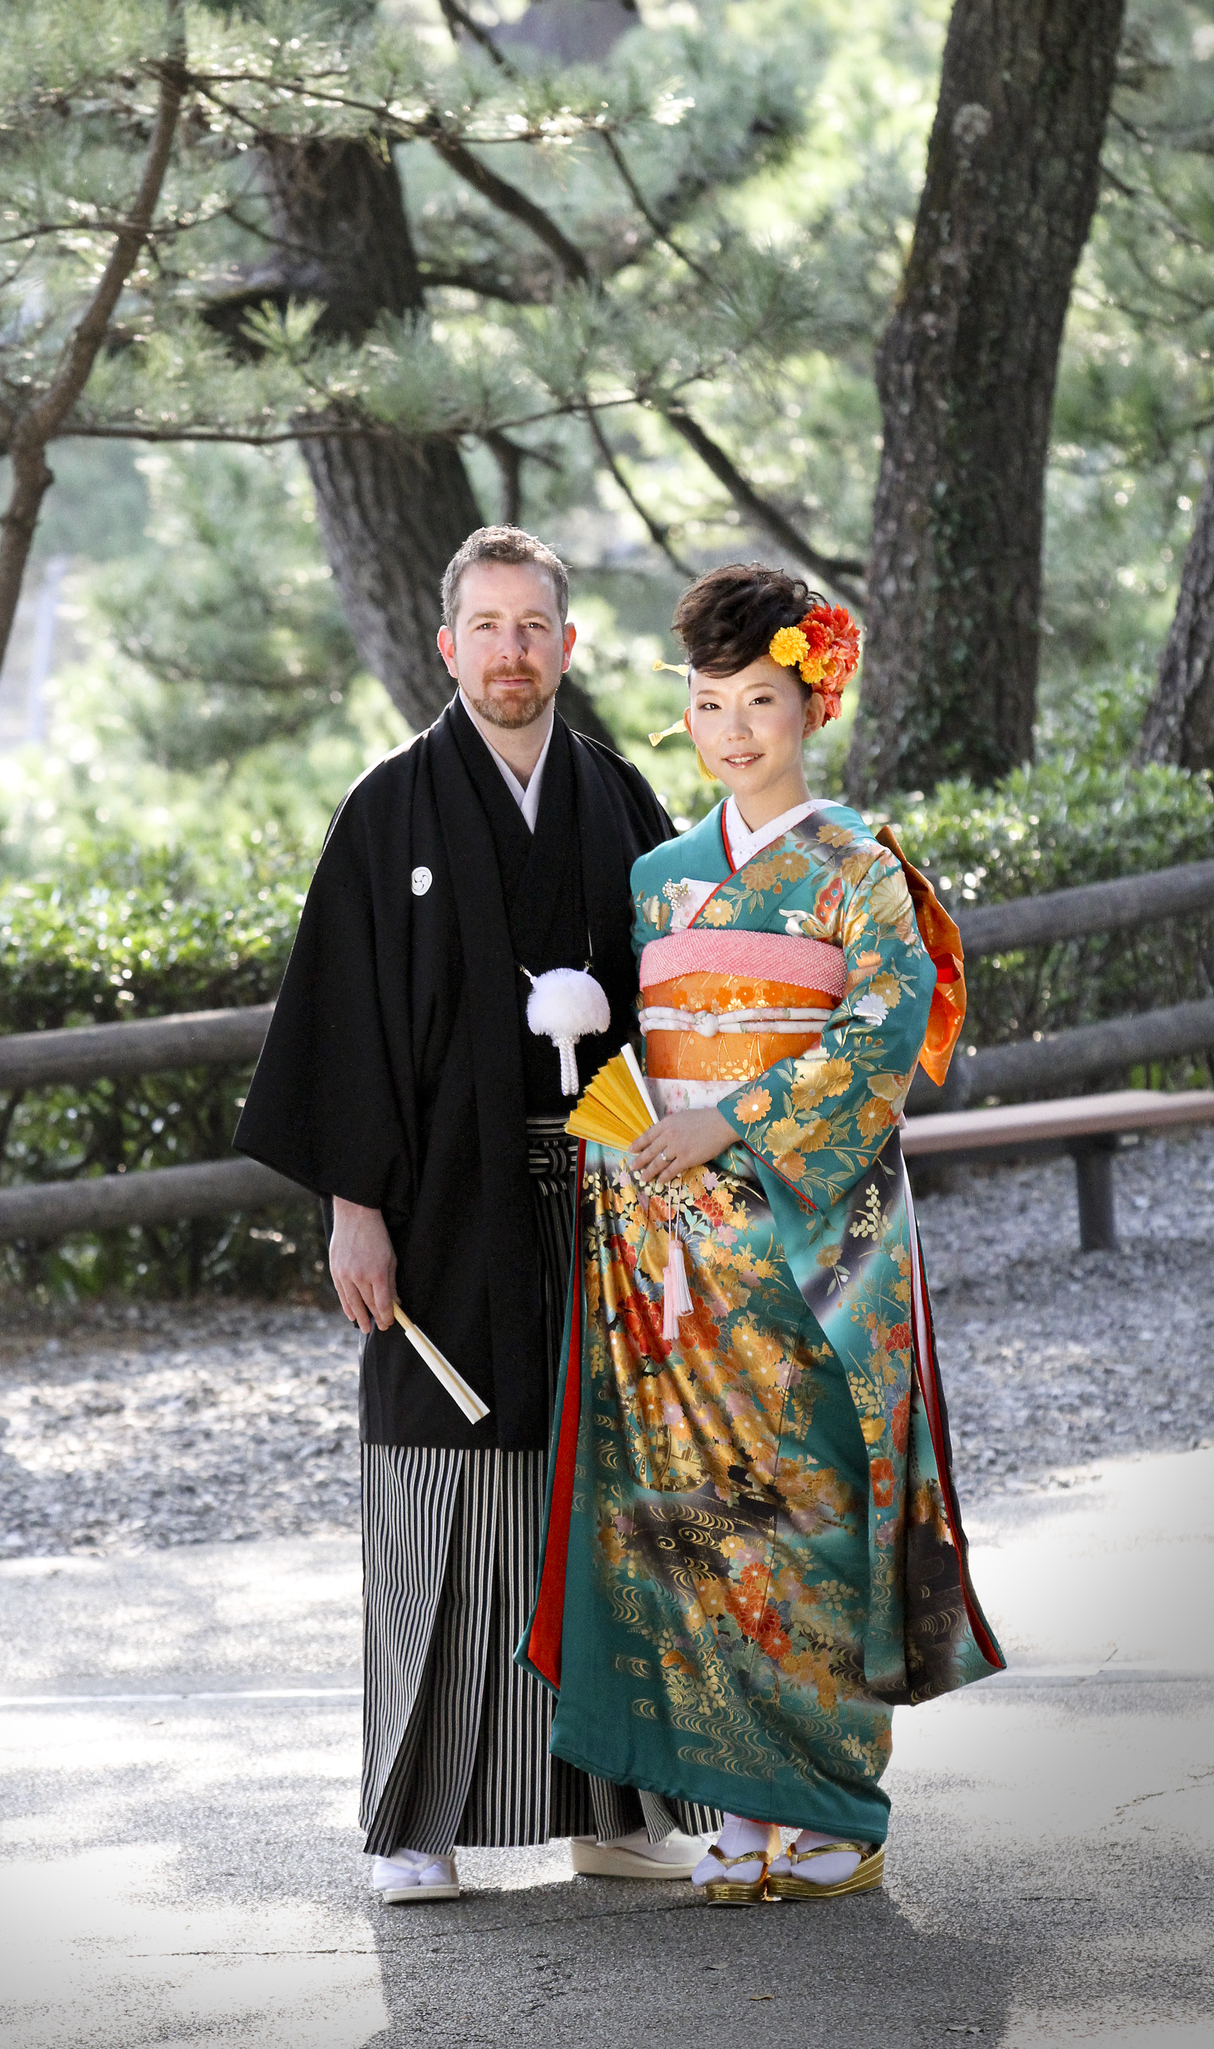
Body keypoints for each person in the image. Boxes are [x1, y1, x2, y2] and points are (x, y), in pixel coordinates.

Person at [234, 525, 710, 1903]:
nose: (511, 651)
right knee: (443, 1503)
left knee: (607, 1495)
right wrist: (352, 1210)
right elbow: (340, 1026)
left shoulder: (620, 801)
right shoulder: (387, 809)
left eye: (533, 626)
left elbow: (682, 1005)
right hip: (441, 1207)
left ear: (569, 644)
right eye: (487, 627)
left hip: (602, 1208)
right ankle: (416, 1825)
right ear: (447, 645)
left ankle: (613, 1808)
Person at [518, 562, 1003, 1903]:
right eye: (709, 702)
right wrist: (636, 1140)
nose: (732, 731)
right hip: (676, 1244)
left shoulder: (858, 867)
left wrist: (728, 1123)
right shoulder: (660, 876)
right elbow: (652, 1048)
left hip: (812, 1236)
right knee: (693, 1513)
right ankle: (735, 1805)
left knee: (812, 1502)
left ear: (812, 705)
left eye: (760, 702)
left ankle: (835, 1806)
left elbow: (880, 1035)